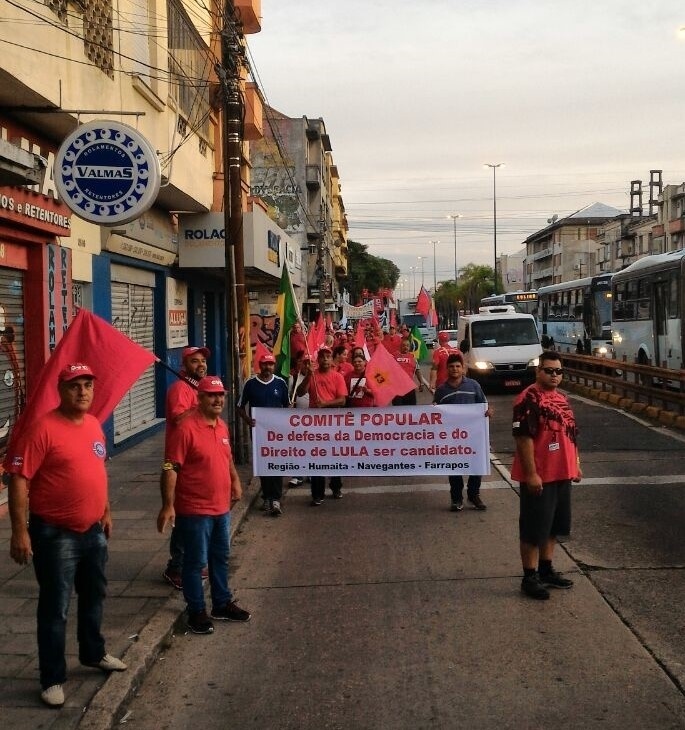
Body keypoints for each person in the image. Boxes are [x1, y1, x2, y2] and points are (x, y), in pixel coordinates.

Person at [7, 363, 127, 708]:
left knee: (94, 597)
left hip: (92, 530)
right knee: (55, 608)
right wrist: (19, 532)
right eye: (75, 386)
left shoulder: (92, 424)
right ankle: (52, 678)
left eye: (88, 385)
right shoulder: (42, 429)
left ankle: (93, 653)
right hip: (54, 534)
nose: (83, 392)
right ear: (61, 390)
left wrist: (104, 510)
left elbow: (96, 469)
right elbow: (18, 479)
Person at [157, 375, 251, 634]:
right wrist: (168, 504)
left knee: (220, 557)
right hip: (195, 509)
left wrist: (235, 481)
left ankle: (221, 603)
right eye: (211, 395)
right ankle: (196, 610)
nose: (218, 399)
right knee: (195, 562)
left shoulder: (221, 426)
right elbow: (170, 466)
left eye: (221, 395)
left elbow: (227, 457)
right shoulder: (186, 428)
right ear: (199, 398)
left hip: (221, 508)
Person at [511, 352, 582, 601]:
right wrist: (531, 474)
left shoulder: (561, 398)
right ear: (538, 371)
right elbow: (523, 438)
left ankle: (546, 569)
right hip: (540, 475)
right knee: (533, 529)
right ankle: (529, 577)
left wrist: (576, 465)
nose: (554, 375)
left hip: (562, 473)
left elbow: (570, 433)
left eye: (559, 371)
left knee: (552, 527)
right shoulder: (528, 398)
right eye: (549, 370)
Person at [162, 346, 209, 590]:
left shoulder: (197, 388)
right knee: (183, 515)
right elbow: (179, 420)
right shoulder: (181, 389)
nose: (201, 365)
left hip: (195, 463)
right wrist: (200, 405)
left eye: (203, 361)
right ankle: (176, 567)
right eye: (195, 361)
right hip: (178, 462)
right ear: (185, 365)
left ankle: (190, 561)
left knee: (194, 515)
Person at [433, 354, 491, 511]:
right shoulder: (441, 390)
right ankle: (456, 498)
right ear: (447, 369)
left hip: (473, 435)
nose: (455, 369)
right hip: (452, 438)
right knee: (454, 467)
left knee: (476, 465)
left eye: (458, 366)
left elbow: (484, 405)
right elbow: (435, 413)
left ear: (463, 368)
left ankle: (474, 495)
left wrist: (488, 411)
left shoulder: (473, 386)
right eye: (451, 366)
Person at [238, 352, 289, 516]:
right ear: (259, 365)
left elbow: (287, 406)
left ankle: (276, 498)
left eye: (271, 364)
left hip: (277, 434)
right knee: (263, 464)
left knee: (277, 463)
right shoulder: (250, 384)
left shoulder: (281, 383)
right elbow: (240, 406)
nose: (268, 367)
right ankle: (267, 495)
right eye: (265, 364)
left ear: (274, 366)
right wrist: (247, 420)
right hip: (259, 432)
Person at [297, 346, 346, 505]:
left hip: (333, 424)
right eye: (322, 357)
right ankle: (317, 494)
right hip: (315, 426)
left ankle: (336, 486)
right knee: (316, 458)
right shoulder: (312, 376)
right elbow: (299, 392)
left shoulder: (338, 377)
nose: (325, 359)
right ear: (318, 360)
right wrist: (308, 376)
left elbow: (342, 400)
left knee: (334, 457)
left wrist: (324, 404)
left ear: (332, 360)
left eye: (328, 356)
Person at [392, 337, 424, 406]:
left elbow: (417, 370)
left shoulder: (413, 357)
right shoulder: (393, 356)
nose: (405, 347)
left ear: (409, 347)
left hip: (409, 388)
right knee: (398, 410)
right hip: (397, 389)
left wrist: (421, 383)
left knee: (411, 409)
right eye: (403, 345)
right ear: (400, 346)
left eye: (407, 345)